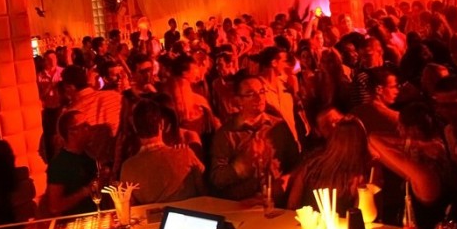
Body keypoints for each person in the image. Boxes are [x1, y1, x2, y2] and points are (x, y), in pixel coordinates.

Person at [210, 74, 299, 204]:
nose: (259, 98)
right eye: (250, 94)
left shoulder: (278, 127)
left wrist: (285, 180)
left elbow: (296, 163)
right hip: (241, 207)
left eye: (261, 92)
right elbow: (216, 179)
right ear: (238, 100)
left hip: (276, 205)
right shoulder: (227, 134)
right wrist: (240, 167)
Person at [120, 99, 206, 204]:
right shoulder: (186, 155)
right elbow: (204, 192)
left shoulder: (127, 168)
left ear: (135, 128)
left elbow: (129, 206)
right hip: (188, 213)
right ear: (162, 124)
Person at [286, 116, 371, 216]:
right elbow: (363, 217)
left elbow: (292, 205)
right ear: (361, 143)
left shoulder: (310, 165)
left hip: (306, 224)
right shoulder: (362, 176)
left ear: (333, 139)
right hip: (341, 225)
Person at [43, 110, 98, 217]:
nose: (89, 127)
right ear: (72, 132)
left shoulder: (88, 155)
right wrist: (85, 192)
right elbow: (55, 206)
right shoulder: (59, 164)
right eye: (84, 125)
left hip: (95, 217)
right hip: (75, 222)